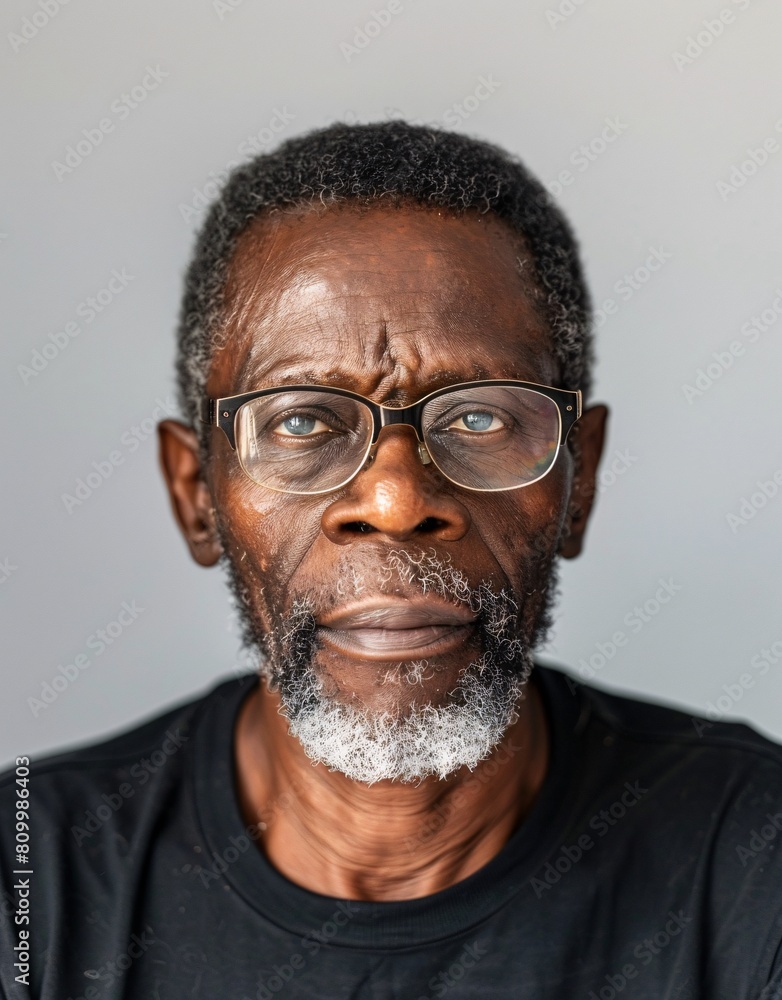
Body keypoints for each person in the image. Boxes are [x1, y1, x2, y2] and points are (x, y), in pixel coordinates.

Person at [2, 121, 781, 1000]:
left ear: (580, 479)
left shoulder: (754, 854)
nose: (395, 501)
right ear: (197, 495)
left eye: (480, 417)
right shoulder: (28, 879)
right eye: (302, 420)